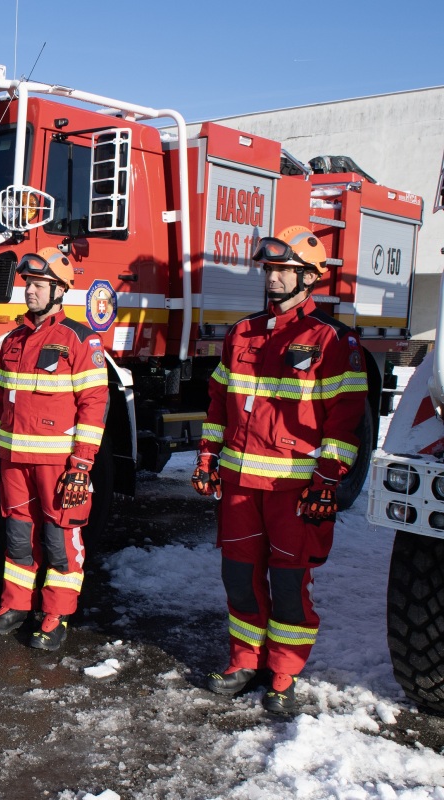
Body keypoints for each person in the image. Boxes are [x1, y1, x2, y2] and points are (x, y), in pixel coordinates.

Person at [193, 225, 368, 715]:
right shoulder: (242, 332)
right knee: (239, 577)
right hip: (240, 487)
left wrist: (328, 478)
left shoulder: (333, 340)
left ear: (309, 277)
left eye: (283, 271)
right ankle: (244, 660)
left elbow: (344, 418)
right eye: (269, 270)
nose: (272, 279)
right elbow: (217, 404)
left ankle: (284, 670)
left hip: (295, 489)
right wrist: (208, 456)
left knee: (289, 584)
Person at [0, 247, 109, 652]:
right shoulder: (13, 340)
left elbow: (94, 405)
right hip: (15, 461)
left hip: (59, 463)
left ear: (59, 290)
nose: (30, 291)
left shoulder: (80, 339)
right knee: (17, 535)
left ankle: (56, 615)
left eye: (38, 285)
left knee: (59, 538)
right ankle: (15, 605)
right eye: (28, 284)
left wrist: (82, 464)